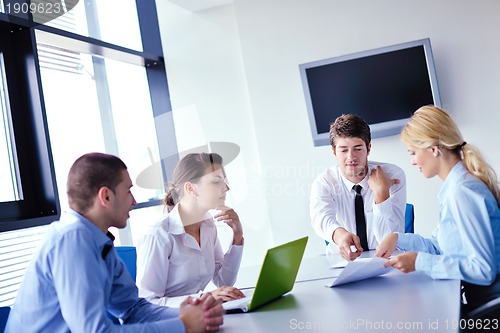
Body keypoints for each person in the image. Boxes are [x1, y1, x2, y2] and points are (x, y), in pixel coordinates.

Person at [5, 152, 224, 333]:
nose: (134, 201)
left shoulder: (101, 243)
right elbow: (95, 332)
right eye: (128, 191)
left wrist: (190, 314)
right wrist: (182, 325)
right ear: (106, 196)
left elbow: (133, 310)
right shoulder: (72, 240)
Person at [376, 105, 500, 319]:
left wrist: (419, 262)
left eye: (413, 153)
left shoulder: (462, 192)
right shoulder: (454, 188)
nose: (412, 161)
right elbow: (439, 246)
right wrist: (397, 239)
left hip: (490, 310)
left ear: (433, 149)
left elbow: (483, 269)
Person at [137, 152, 244, 307]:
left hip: (198, 319)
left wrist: (238, 236)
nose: (226, 188)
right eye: (216, 181)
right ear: (191, 188)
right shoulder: (158, 234)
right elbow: (148, 303)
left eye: (224, 181)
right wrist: (204, 298)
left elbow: (224, 281)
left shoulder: (208, 225)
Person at [310, 114, 406, 261]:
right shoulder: (324, 182)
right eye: (343, 150)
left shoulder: (392, 176)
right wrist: (339, 234)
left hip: (385, 261)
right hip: (341, 263)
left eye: (358, 148)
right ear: (334, 151)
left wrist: (381, 195)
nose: (351, 157)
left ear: (368, 148)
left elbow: (391, 237)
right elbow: (321, 219)